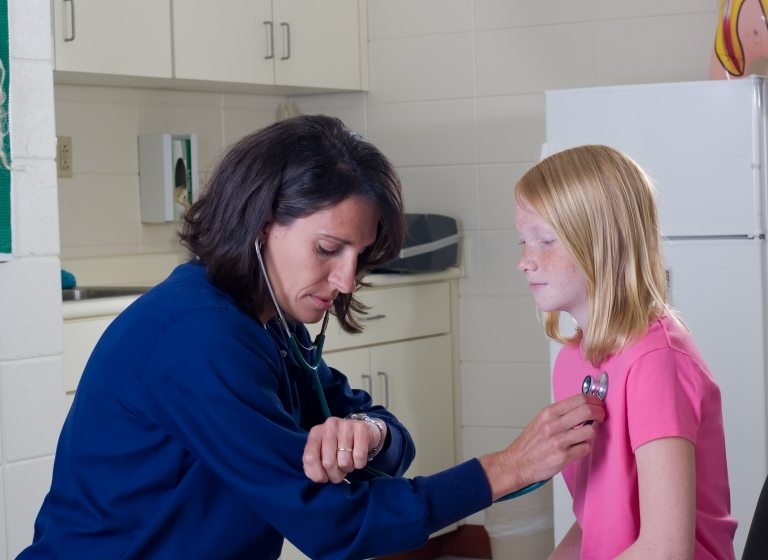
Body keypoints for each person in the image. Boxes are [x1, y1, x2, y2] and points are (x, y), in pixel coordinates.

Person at [20, 115, 604, 560]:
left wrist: (366, 434)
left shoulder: (265, 324)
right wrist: (509, 467)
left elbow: (385, 434)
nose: (347, 278)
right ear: (260, 223)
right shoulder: (198, 337)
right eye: (328, 249)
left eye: (360, 255)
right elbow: (334, 524)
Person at [514, 144, 737, 559]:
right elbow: (594, 520)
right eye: (522, 241)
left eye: (544, 240)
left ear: (603, 245)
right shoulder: (573, 362)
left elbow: (666, 550)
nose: (525, 261)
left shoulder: (656, 362)